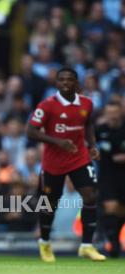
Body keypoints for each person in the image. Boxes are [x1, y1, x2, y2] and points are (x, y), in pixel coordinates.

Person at [26, 67, 106, 262]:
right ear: (56, 83)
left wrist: (93, 146)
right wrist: (57, 141)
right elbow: (31, 131)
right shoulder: (47, 106)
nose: (65, 83)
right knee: (50, 204)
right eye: (61, 80)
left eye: (69, 80)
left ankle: (86, 245)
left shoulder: (87, 103)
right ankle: (44, 242)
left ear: (76, 83)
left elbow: (87, 125)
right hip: (54, 162)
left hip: (79, 157)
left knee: (90, 195)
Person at [95, 102, 125, 257]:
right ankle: (112, 242)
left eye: (115, 112)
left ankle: (115, 240)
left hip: (123, 175)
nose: (112, 115)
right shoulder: (100, 130)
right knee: (110, 206)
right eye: (109, 112)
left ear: (120, 112)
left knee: (120, 209)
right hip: (107, 175)